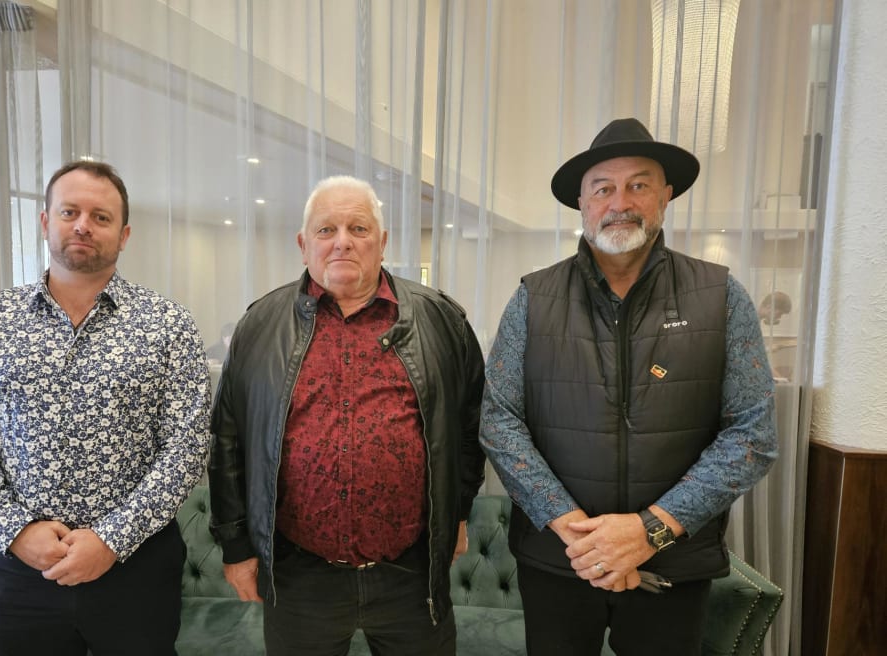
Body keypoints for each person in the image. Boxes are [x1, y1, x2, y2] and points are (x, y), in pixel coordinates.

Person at [479, 118, 778, 656]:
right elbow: (499, 420)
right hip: (560, 561)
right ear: (582, 203)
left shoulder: (720, 296)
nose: (620, 202)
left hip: (673, 565)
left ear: (665, 197)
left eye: (638, 185)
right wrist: (578, 533)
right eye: (603, 188)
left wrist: (649, 532)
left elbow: (752, 436)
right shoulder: (532, 298)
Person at [0, 160, 212, 656]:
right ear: (46, 221)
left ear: (123, 235)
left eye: (101, 217)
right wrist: (16, 530)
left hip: (135, 569)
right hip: (20, 569)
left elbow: (185, 449)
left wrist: (111, 539)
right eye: (70, 212)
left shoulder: (168, 325)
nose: (83, 225)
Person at [207, 175, 486, 655]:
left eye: (358, 228)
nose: (342, 242)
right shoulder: (259, 325)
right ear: (303, 245)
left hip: (412, 574)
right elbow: (227, 441)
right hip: (300, 575)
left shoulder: (442, 320)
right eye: (326, 230)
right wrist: (236, 547)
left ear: (382, 242)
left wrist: (457, 514)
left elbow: (468, 427)